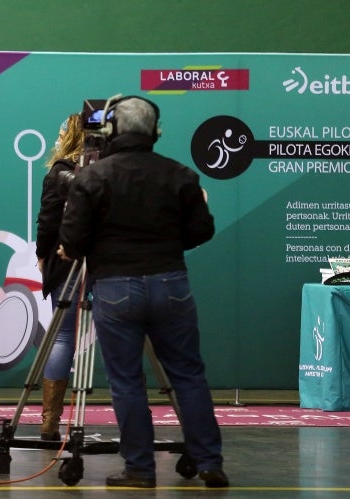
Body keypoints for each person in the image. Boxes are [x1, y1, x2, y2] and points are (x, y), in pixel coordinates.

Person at [58, 96, 228, 488]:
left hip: (115, 287)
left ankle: (139, 469)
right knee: (188, 376)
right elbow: (202, 231)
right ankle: (209, 462)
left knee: (127, 381)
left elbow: (74, 239)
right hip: (170, 282)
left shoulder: (92, 176)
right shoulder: (181, 175)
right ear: (155, 132)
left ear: (112, 131)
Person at [35, 113, 86, 440]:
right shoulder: (110, 170)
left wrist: (42, 254)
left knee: (63, 335)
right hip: (108, 262)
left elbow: (48, 220)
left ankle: (50, 424)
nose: (58, 134)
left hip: (66, 260)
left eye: (61, 129)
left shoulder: (58, 173)